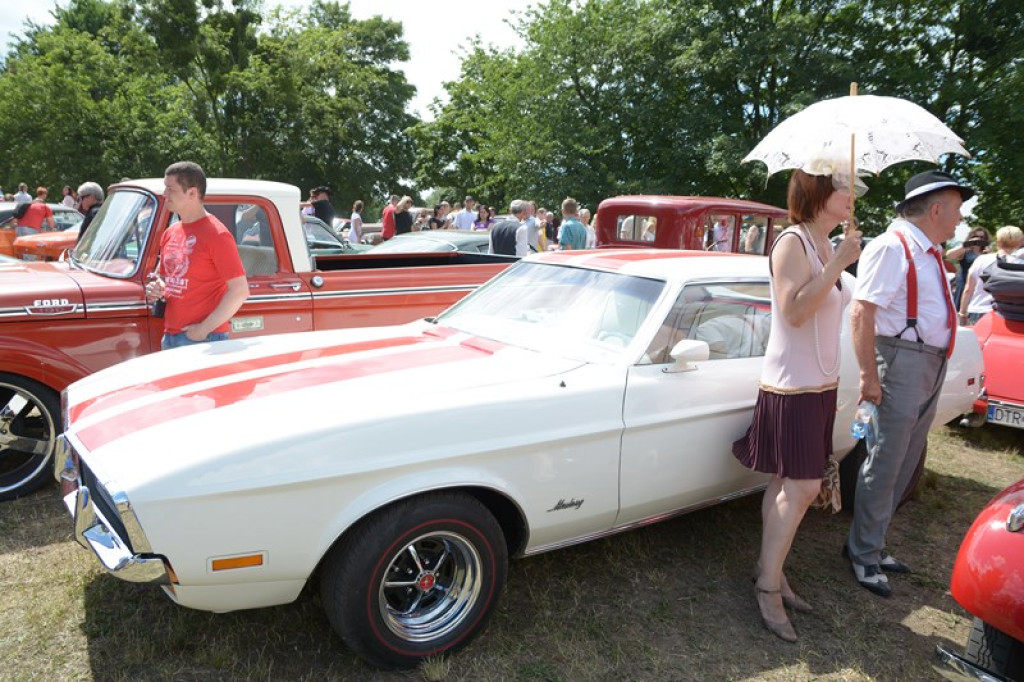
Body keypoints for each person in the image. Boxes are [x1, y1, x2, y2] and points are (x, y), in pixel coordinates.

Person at [732, 167, 862, 641]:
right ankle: (767, 585)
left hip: (820, 385)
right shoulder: (793, 242)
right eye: (846, 187)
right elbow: (793, 310)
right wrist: (838, 265)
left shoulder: (826, 243)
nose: (853, 195)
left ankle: (774, 569)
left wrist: (839, 260)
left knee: (786, 481)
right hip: (792, 385)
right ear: (820, 190)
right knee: (805, 488)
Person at [847, 170, 973, 598]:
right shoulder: (892, 246)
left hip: (926, 362)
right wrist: (868, 376)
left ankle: (872, 544)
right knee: (886, 461)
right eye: (956, 210)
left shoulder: (926, 250)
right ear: (936, 209)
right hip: (901, 362)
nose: (960, 218)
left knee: (905, 459)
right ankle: (863, 553)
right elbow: (862, 313)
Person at [145, 161, 249, 350]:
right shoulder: (171, 232)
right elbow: (164, 277)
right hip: (171, 335)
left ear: (192, 193)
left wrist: (203, 330)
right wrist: (157, 287)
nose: (164, 194)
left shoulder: (217, 235)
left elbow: (240, 291)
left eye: (170, 189)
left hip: (204, 340)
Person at [959, 225, 1024, 324]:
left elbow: (969, 289)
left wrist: (962, 313)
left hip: (978, 310)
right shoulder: (1021, 264)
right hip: (1008, 314)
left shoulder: (981, 259)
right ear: (1020, 242)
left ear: (998, 241)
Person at [945, 226, 990, 309]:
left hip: (980, 286)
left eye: (981, 237)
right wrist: (967, 244)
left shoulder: (987, 252)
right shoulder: (965, 251)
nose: (978, 239)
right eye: (975, 237)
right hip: (964, 284)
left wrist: (989, 253)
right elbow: (949, 255)